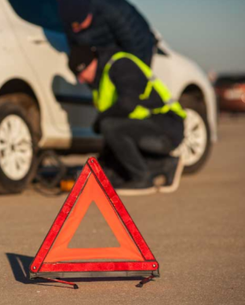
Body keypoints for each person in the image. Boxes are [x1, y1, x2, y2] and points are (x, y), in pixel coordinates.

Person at [68, 46, 186, 194]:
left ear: (92, 62)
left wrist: (100, 120)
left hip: (167, 126)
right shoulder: (101, 82)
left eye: (81, 72)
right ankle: (164, 164)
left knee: (108, 125)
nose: (81, 80)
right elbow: (119, 130)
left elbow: (127, 105)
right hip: (146, 129)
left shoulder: (121, 64)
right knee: (111, 169)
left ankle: (142, 178)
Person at [58, 0, 157, 66]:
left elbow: (137, 45)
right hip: (107, 60)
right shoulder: (69, 17)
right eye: (71, 26)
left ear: (87, 14)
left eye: (77, 25)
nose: (74, 30)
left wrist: (133, 75)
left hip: (139, 48)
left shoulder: (114, 11)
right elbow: (77, 50)